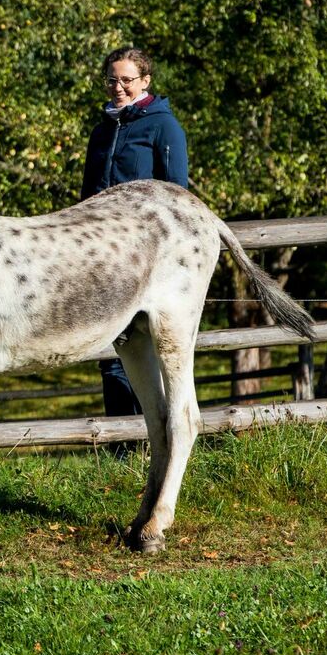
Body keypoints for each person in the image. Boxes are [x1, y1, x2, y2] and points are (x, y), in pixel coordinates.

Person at [82, 46, 189, 424]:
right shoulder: (101, 130)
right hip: (102, 255)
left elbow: (178, 194)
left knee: (151, 346)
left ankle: (153, 440)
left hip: (144, 258)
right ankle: (119, 448)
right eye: (112, 79)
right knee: (113, 346)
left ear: (145, 81)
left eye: (127, 80)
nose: (118, 87)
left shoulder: (163, 126)